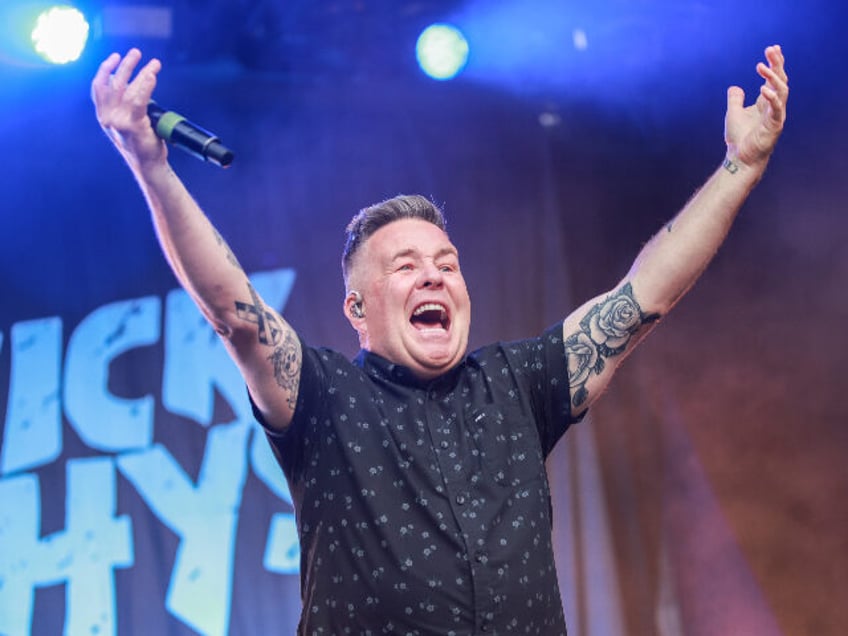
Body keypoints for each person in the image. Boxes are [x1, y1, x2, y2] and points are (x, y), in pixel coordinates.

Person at [91, 45, 788, 634]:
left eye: (447, 264)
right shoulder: (326, 397)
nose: (434, 276)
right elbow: (236, 313)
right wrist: (151, 167)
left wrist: (739, 168)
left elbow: (644, 297)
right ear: (357, 308)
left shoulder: (517, 384)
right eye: (407, 267)